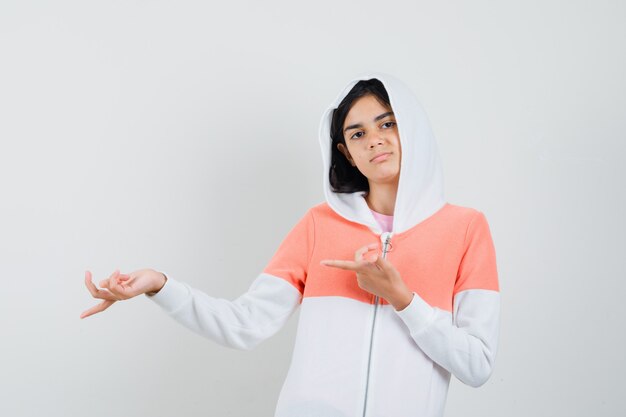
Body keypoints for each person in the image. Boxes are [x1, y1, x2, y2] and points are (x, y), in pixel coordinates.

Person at [81, 72, 501, 417]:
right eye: (357, 133)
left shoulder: (465, 229)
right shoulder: (319, 225)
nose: (374, 139)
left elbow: (476, 365)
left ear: (411, 128)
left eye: (387, 124)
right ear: (346, 153)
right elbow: (244, 323)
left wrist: (403, 299)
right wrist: (160, 284)